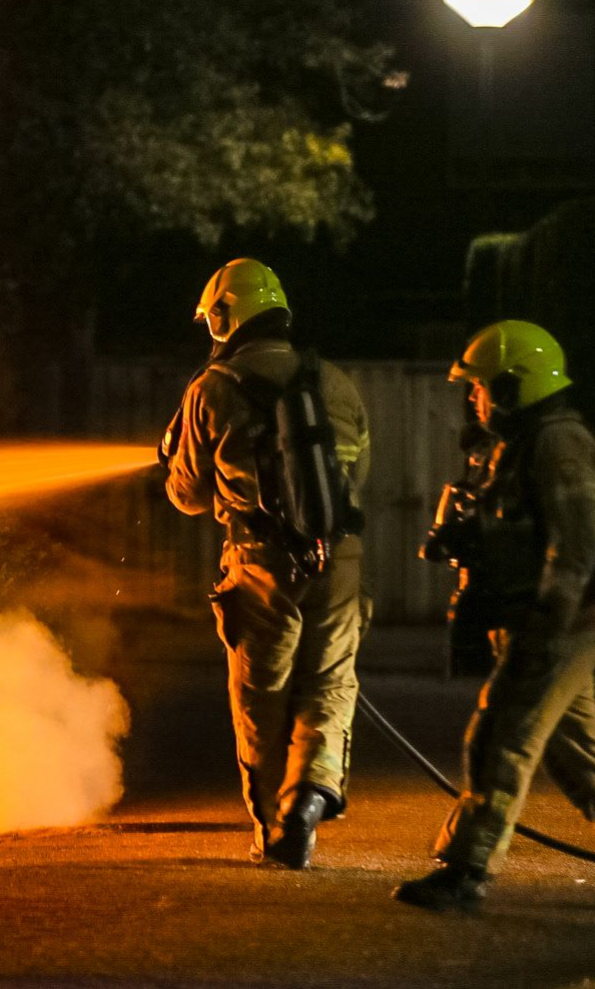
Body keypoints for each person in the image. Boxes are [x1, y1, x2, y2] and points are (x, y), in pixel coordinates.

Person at [394, 320, 595, 911]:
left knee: (499, 736)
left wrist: (548, 621)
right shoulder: (519, 443)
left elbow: (579, 539)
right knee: (573, 744)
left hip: (562, 623)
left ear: (511, 385)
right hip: (546, 620)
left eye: (479, 387)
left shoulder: (559, 442)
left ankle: (467, 870)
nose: (472, 399)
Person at [162, 257, 370, 869]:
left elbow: (190, 496)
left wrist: (172, 455)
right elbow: (358, 478)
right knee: (329, 684)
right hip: (340, 557)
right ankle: (312, 795)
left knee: (263, 696)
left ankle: (277, 832)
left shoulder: (212, 387)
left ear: (227, 316)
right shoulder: (336, 382)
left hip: (260, 560)